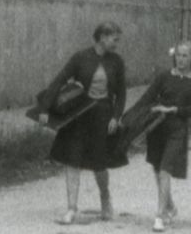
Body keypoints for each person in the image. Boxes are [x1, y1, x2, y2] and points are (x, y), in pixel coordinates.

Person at [37, 21, 127, 224]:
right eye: (114, 39)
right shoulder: (80, 57)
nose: (116, 43)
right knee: (72, 160)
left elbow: (121, 93)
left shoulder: (117, 61)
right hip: (78, 116)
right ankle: (71, 209)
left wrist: (116, 116)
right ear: (102, 37)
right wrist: (44, 108)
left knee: (99, 164)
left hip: (102, 117)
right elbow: (59, 81)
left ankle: (105, 198)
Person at [131, 41, 191, 232]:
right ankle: (170, 206)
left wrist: (174, 109)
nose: (181, 59)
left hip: (177, 131)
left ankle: (159, 216)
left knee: (165, 171)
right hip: (157, 128)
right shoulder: (164, 76)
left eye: (185, 56)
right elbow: (147, 97)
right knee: (157, 170)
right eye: (178, 55)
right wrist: (131, 116)